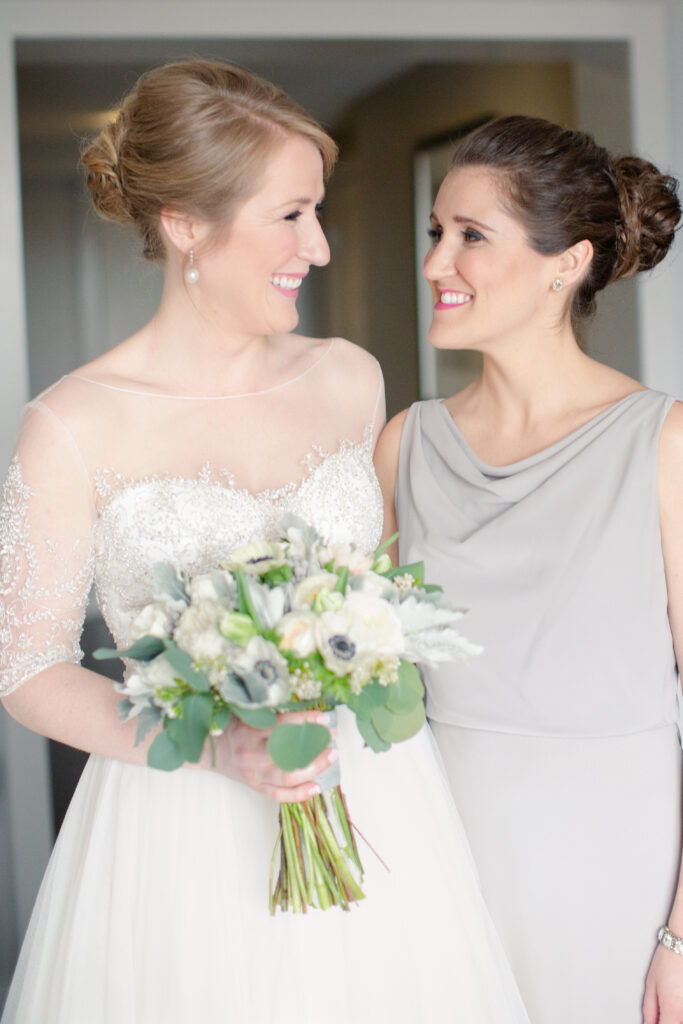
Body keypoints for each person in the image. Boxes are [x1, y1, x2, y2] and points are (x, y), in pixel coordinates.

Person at [0, 61, 530, 1023]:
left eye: (317, 212)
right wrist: (216, 752)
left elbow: (375, 596)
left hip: (375, 800)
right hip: (178, 825)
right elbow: (26, 667)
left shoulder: (349, 379)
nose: (320, 248)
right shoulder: (71, 425)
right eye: (291, 215)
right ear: (185, 226)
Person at [375, 113, 683, 1024]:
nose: (436, 264)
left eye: (471, 236)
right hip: (438, 859)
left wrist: (681, 933)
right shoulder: (405, 445)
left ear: (566, 262)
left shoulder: (661, 444)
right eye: (437, 233)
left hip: (617, 881)